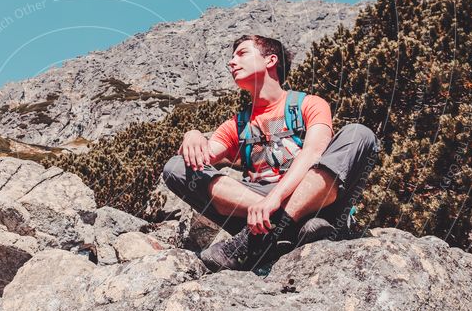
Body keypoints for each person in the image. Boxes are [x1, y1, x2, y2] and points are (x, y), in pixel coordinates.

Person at [162, 35, 380, 272]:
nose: (231, 62)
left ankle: (260, 239)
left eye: (242, 53)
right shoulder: (237, 125)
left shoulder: (309, 104)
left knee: (359, 134)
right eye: (232, 57)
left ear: (271, 60)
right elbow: (200, 158)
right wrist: (193, 135)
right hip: (257, 214)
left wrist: (273, 201)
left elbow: (314, 152)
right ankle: (293, 230)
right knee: (176, 167)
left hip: (316, 199)